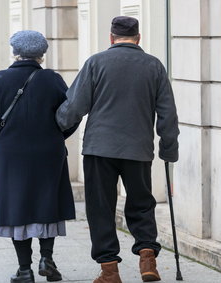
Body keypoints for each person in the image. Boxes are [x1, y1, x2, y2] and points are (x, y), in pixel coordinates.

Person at [56, 16, 180, 283]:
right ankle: (148, 258)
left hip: (99, 149)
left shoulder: (96, 62)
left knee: (100, 207)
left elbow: (75, 105)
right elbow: (168, 114)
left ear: (111, 38)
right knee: (141, 203)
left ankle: (109, 270)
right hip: (138, 149)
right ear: (138, 38)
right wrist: (169, 149)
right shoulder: (154, 66)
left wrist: (58, 124)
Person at [0, 30, 77, 283]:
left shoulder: (0, 79)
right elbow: (70, 115)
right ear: (42, 54)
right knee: (47, 201)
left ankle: (24, 269)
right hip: (48, 152)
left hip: (11, 154)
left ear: (15, 52)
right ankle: (47, 259)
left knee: (17, 205)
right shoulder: (53, 80)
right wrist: (56, 137)